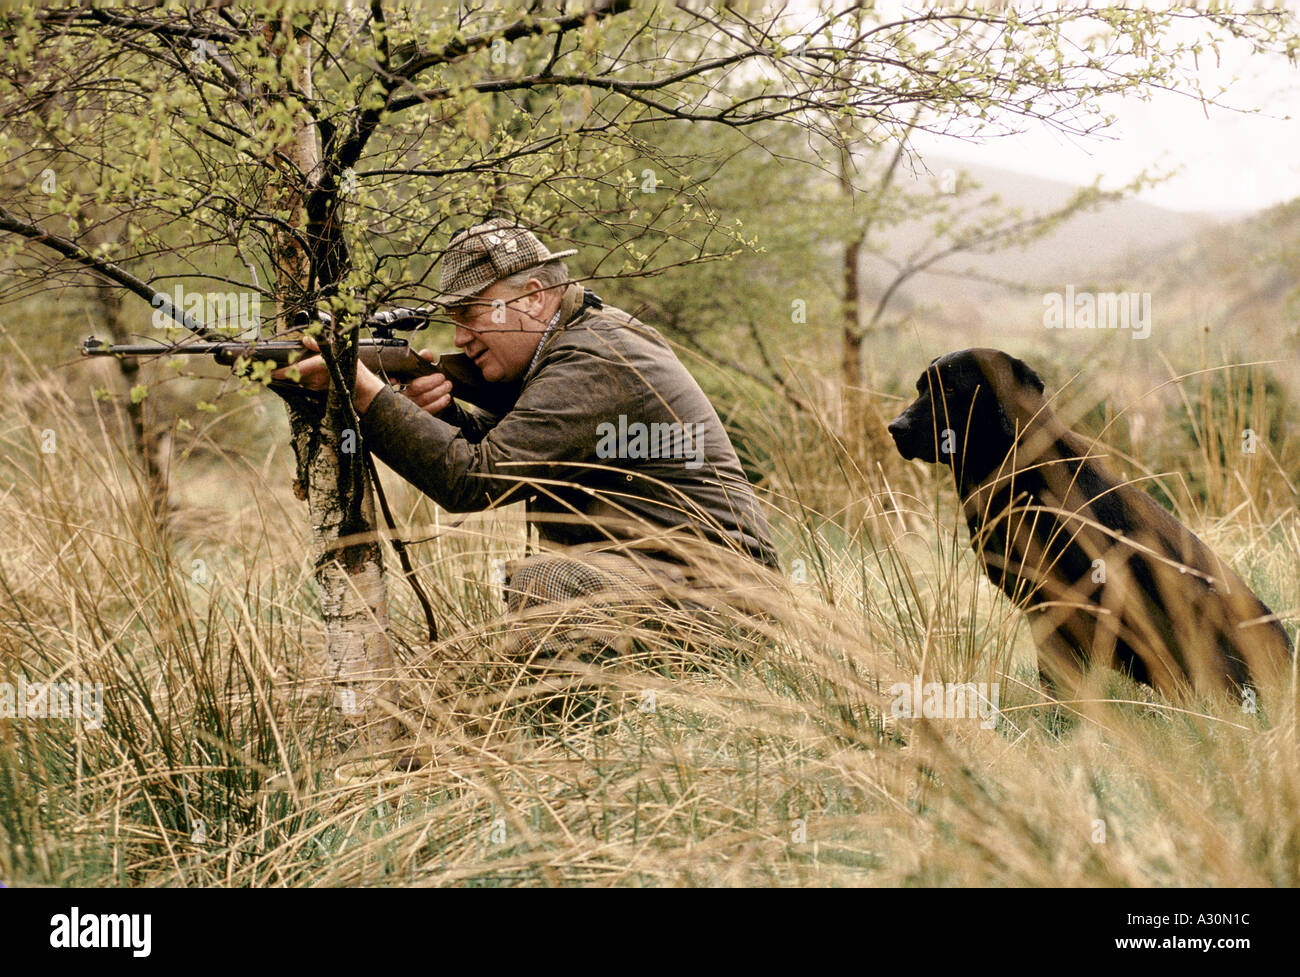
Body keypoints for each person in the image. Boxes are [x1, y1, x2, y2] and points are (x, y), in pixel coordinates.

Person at [279, 217, 779, 735]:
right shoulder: (573, 344)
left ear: (534, 296)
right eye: (453, 320)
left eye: (471, 315)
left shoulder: (595, 359)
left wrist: (365, 393)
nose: (460, 337)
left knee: (548, 581)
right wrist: (445, 417)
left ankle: (566, 763)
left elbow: (474, 481)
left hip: (721, 603)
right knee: (552, 581)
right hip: (673, 586)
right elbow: (518, 452)